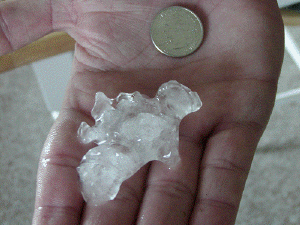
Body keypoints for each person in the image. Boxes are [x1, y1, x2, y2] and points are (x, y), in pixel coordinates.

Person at [0, 0, 284, 224]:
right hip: (117, 146)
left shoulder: (160, 127)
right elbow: (115, 119)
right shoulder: (146, 113)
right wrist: (97, 128)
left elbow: (163, 150)